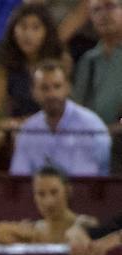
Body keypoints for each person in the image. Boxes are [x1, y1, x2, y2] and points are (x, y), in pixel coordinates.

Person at [0, 3, 67, 158]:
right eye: (22, 27)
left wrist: (15, 123)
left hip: (54, 127)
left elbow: (63, 109)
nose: (27, 34)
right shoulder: (6, 63)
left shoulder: (61, 60)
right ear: (13, 30)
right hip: (14, 128)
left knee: (19, 134)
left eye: (35, 28)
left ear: (47, 32)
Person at [10, 59, 112, 176]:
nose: (51, 94)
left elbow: (95, 179)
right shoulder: (28, 130)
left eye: (57, 86)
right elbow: (20, 177)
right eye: (44, 88)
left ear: (68, 88)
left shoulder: (91, 127)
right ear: (34, 92)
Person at [72, 0, 122, 173]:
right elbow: (76, 109)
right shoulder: (88, 60)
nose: (103, 14)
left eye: (110, 6)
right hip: (91, 146)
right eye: (96, 10)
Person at [0, 166, 98, 243]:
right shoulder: (29, 230)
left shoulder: (84, 223)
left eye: (54, 192)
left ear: (67, 191)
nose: (48, 201)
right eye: (41, 194)